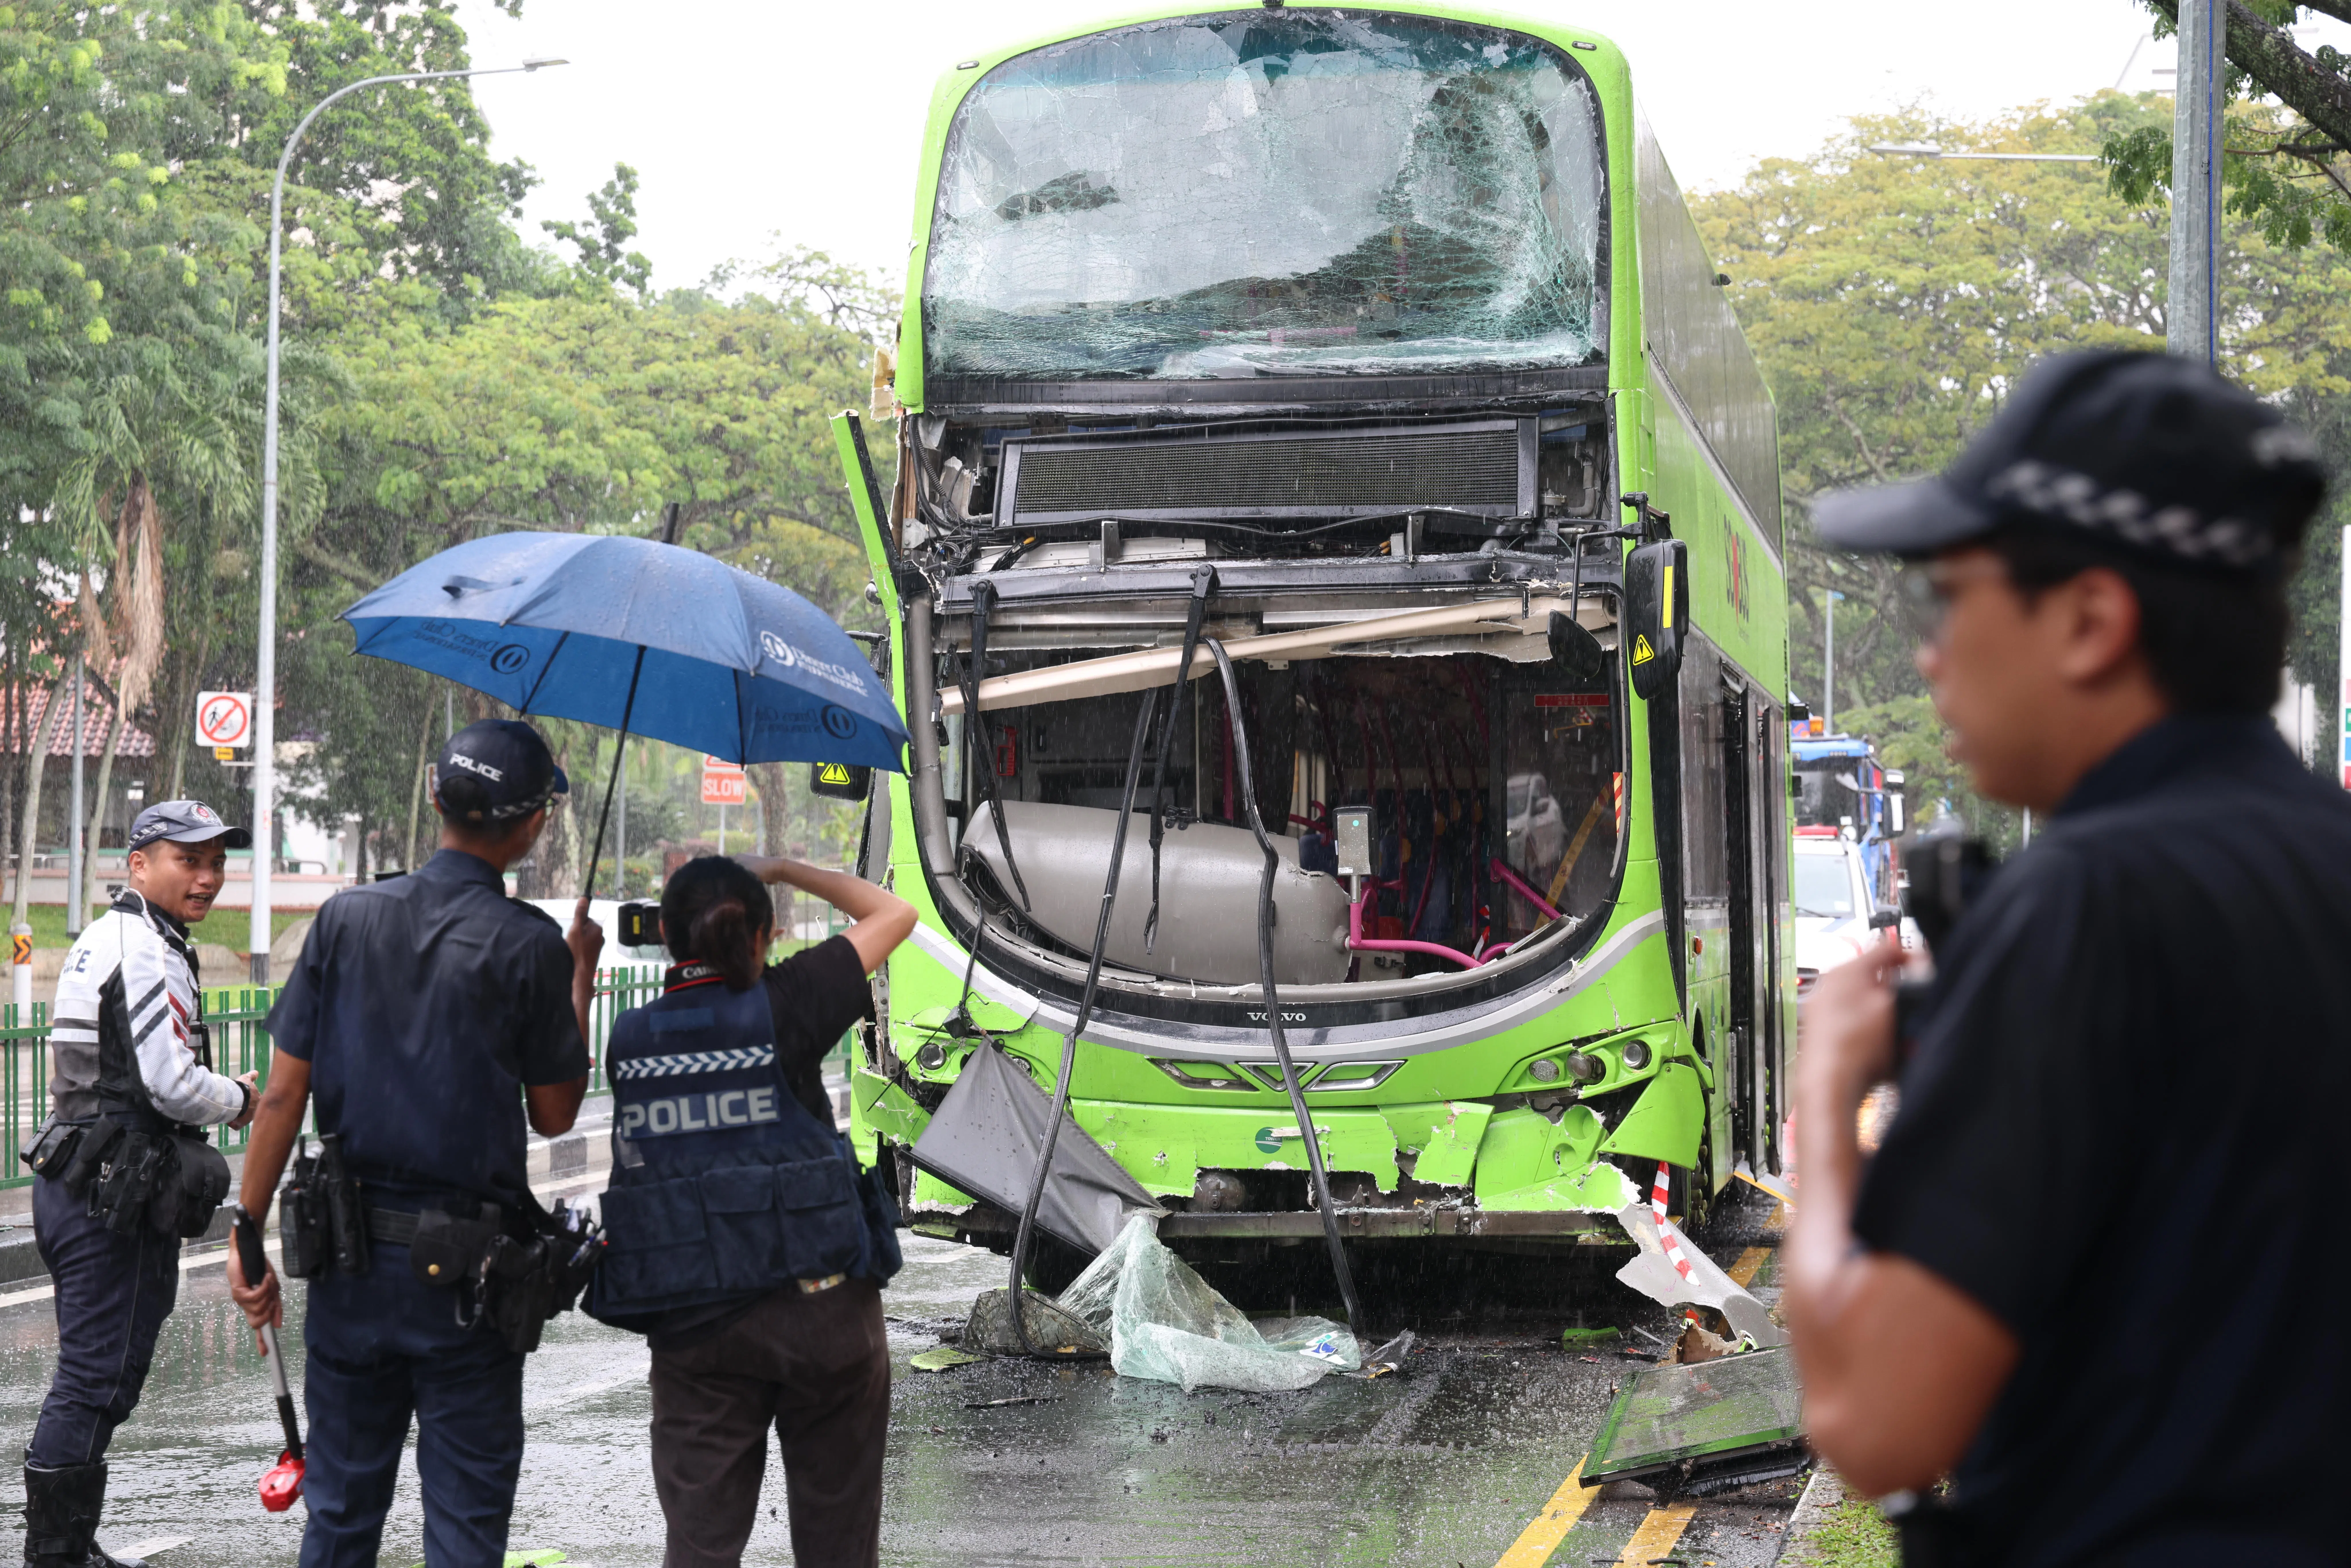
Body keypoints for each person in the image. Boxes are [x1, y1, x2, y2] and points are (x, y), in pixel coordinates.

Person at [1785, 350, 2340, 1566]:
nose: (1928, 651)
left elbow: (1874, 1422)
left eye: (1947, 595)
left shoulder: (2082, 905)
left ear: (2089, 620)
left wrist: (1823, 1100)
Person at [227, 719, 600, 1568]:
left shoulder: (346, 918)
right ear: (535, 825)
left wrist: (246, 1234)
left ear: (436, 796)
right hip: (469, 1283)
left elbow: (283, 1094)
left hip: (349, 1270)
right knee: (465, 1527)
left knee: (340, 1514)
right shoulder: (532, 947)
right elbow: (554, 1113)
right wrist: (578, 978)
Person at [588, 852, 915, 1568]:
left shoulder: (631, 1038)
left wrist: (581, 968)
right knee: (838, 1550)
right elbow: (895, 914)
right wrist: (787, 870)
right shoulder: (789, 999)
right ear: (764, 932)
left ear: (669, 938)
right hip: (822, 1315)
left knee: (700, 1550)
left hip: (695, 1327)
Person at [23, 801, 261, 1568]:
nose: (208, 877)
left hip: (77, 1180)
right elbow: (169, 1085)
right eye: (187, 860)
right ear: (139, 864)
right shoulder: (149, 951)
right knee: (96, 1380)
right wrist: (242, 1099)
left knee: (98, 1375)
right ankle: (55, 1558)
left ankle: (71, 1548)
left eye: (217, 862)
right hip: (112, 1194)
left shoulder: (105, 936)